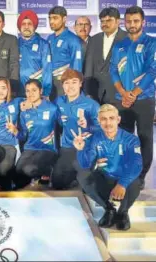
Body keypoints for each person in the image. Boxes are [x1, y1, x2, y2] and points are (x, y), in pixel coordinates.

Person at [74, 104, 142, 230]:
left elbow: (137, 164)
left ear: (118, 120)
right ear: (99, 121)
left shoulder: (131, 139)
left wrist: (122, 184)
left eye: (111, 118)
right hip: (106, 177)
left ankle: (123, 213)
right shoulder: (95, 138)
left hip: (124, 179)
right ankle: (109, 209)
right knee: (83, 176)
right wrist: (81, 149)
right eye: (104, 119)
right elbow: (85, 164)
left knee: (136, 183)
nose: (108, 122)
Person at [109, 6, 156, 189]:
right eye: (129, 21)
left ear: (143, 22)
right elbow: (113, 70)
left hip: (144, 99)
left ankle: (141, 176)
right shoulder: (119, 44)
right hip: (122, 99)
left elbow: (153, 71)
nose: (132, 24)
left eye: (136, 21)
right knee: (124, 137)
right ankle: (125, 171)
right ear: (124, 22)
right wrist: (122, 92)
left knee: (144, 137)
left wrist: (134, 94)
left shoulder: (151, 43)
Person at [51, 69, 100, 189]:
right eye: (66, 83)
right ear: (62, 85)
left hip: (87, 148)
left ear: (80, 83)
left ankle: (92, 171)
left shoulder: (91, 104)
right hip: (68, 147)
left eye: (74, 82)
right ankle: (74, 173)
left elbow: (103, 130)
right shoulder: (59, 102)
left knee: (86, 185)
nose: (70, 86)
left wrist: (87, 126)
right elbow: (45, 110)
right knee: (57, 183)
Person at [13, 79, 59, 188]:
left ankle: (48, 170)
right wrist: (15, 132)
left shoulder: (52, 108)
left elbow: (63, 126)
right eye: (27, 91)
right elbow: (23, 135)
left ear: (41, 91)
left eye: (34, 90)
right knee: (17, 174)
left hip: (47, 149)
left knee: (28, 169)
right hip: (30, 148)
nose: (30, 94)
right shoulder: (24, 112)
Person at [84, 7, 127, 104]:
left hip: (120, 94)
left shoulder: (127, 38)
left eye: (109, 20)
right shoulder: (94, 39)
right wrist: (88, 92)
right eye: (102, 21)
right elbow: (88, 68)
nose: (105, 24)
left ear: (118, 21)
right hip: (96, 94)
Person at [47, 6, 83, 100]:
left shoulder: (73, 39)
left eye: (55, 18)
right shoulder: (49, 38)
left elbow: (76, 67)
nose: (51, 22)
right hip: (49, 84)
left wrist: (72, 87)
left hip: (64, 85)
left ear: (64, 19)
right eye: (50, 18)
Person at [18, 10, 53, 98]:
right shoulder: (14, 43)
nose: (26, 27)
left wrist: (45, 92)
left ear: (34, 26)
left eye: (29, 24)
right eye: (23, 24)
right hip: (17, 92)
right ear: (19, 26)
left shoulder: (43, 44)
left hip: (36, 93)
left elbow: (47, 70)